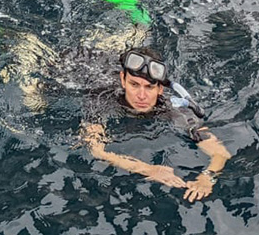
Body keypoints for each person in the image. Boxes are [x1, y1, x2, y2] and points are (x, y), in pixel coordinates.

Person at [80, 46, 232, 202]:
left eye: (149, 87)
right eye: (134, 84)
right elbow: (96, 149)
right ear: (122, 80)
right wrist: (148, 169)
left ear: (160, 89)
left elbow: (220, 153)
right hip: (85, 62)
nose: (141, 95)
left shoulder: (173, 110)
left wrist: (208, 177)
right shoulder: (101, 97)